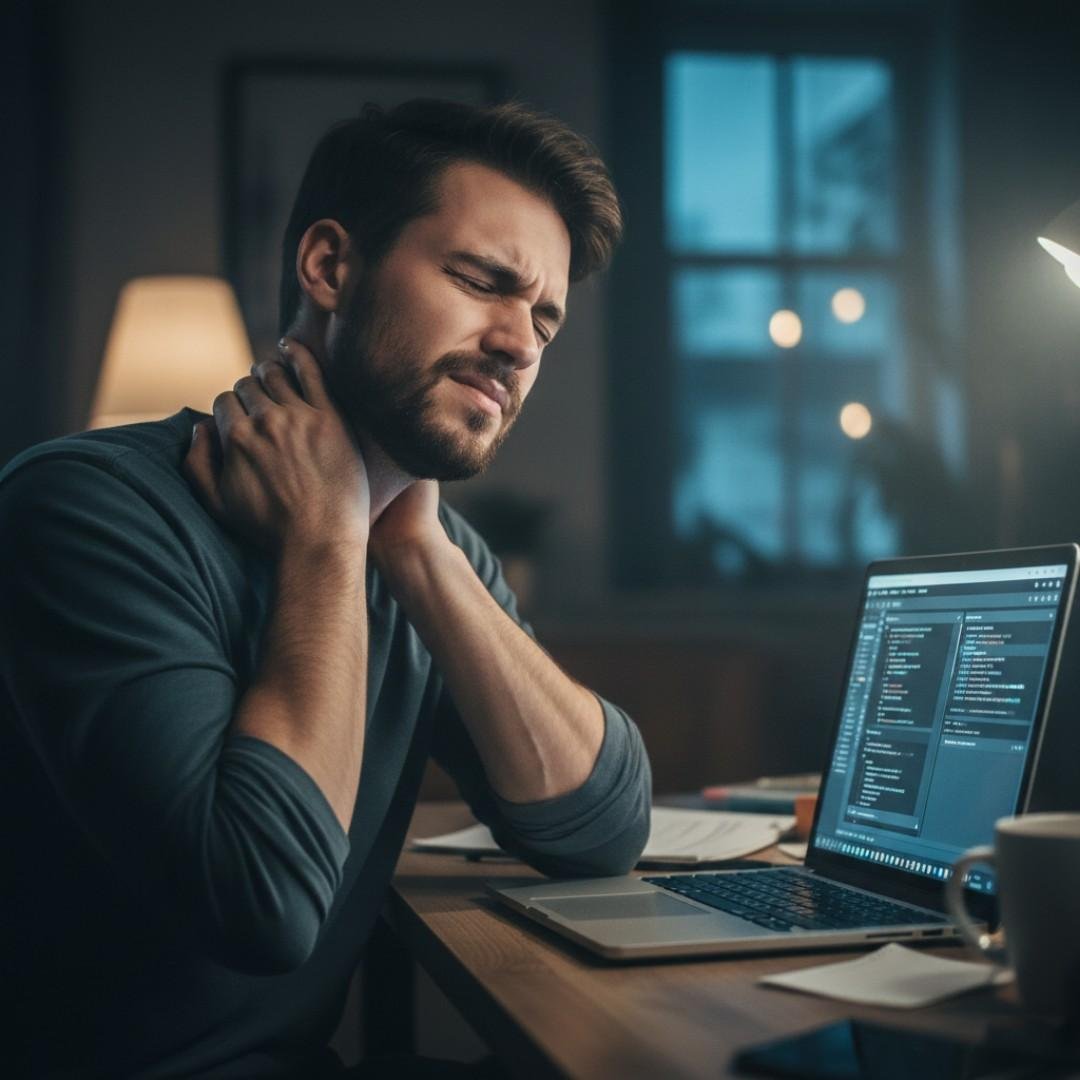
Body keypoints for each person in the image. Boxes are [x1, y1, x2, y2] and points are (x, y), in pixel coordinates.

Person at [0, 99, 652, 1077]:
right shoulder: (81, 509)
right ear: (330, 267)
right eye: (482, 281)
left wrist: (416, 549)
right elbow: (260, 902)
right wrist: (325, 542)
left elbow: (601, 831)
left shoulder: (424, 549)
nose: (520, 343)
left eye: (545, 318)